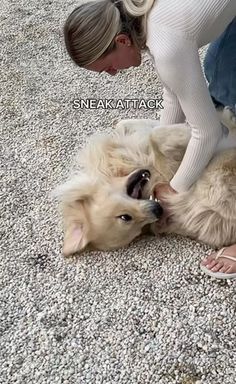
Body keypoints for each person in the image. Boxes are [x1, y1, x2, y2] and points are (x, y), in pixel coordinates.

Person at [63, 0, 236, 279]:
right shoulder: (150, 26)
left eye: (108, 68)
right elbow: (173, 95)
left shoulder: (166, 46)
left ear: (121, 40)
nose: (113, 75)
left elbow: (209, 133)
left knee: (220, 104)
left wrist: (173, 191)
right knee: (220, 83)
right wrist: (155, 155)